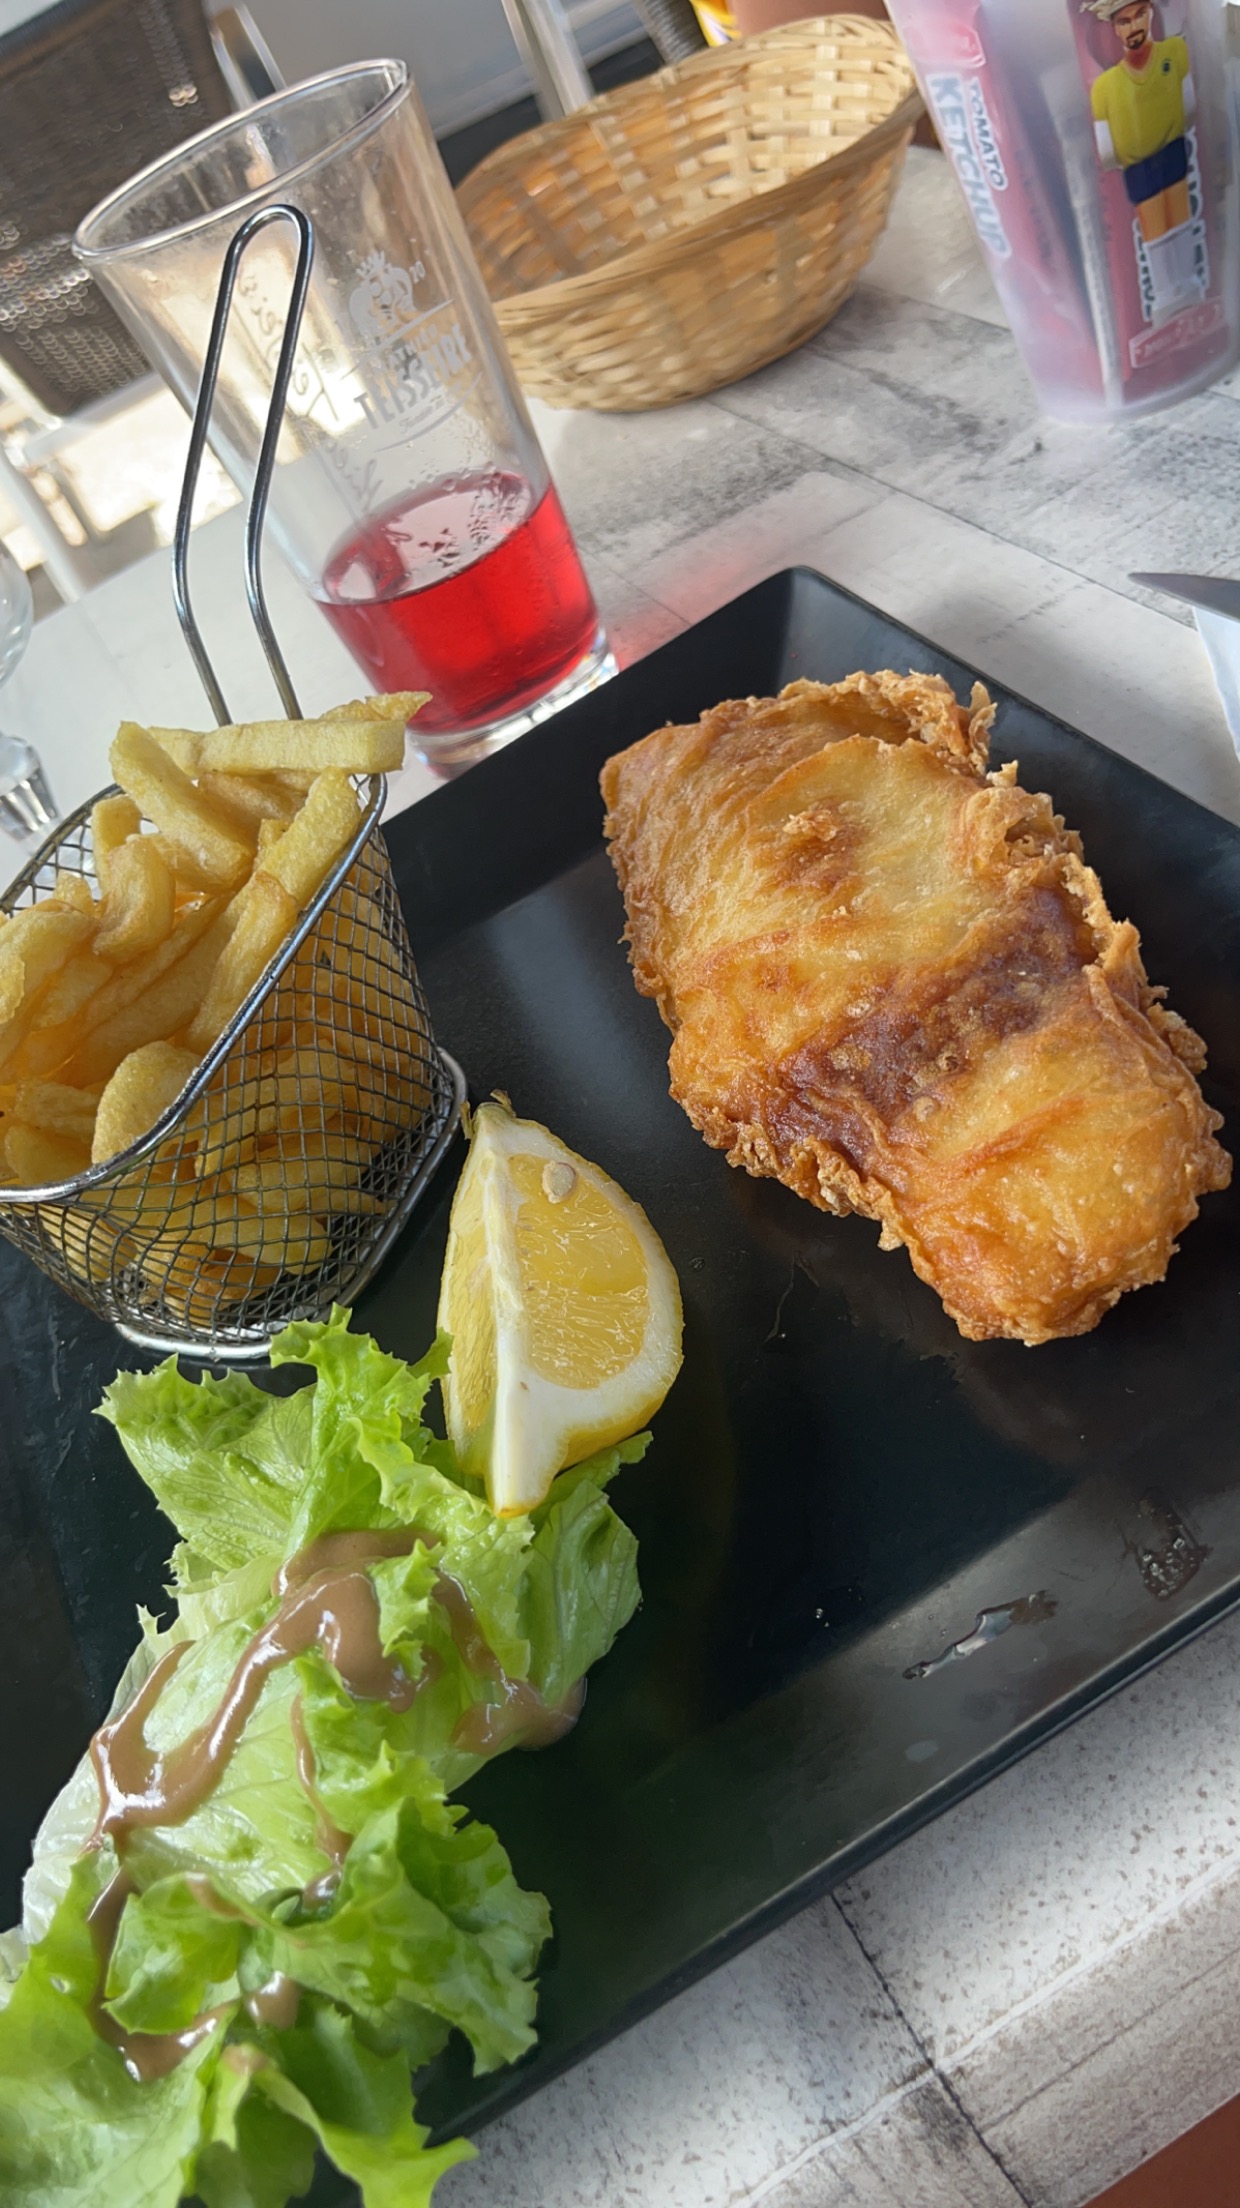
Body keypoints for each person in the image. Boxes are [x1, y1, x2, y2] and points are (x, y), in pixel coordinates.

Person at [1084, 0, 1204, 322]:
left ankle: (1188, 283)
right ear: (1113, 28)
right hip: (1138, 165)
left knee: (1179, 215)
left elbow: (1189, 108)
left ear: (1151, 13)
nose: (1134, 27)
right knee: (1154, 225)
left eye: (1139, 16)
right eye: (1124, 21)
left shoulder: (1175, 52)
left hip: (1172, 149)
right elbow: (1106, 149)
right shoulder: (1104, 87)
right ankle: (1165, 293)